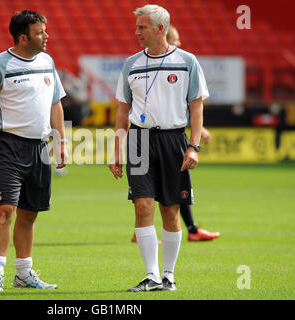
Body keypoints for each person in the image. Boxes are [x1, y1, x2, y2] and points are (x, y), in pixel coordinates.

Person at [109, 4, 209, 292]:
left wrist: (194, 146)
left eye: (142, 27)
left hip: (174, 140)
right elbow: (122, 110)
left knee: (170, 210)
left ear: (160, 28)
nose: (136, 32)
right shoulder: (130, 64)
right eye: (137, 26)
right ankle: (151, 276)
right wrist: (116, 150)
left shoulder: (187, 61)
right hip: (139, 141)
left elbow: (196, 107)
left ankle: (168, 276)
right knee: (142, 206)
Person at [0, 10, 68, 292]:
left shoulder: (48, 61)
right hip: (9, 146)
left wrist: (60, 142)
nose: (46, 36)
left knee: (30, 212)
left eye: (45, 30)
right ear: (23, 37)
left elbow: (55, 104)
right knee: (5, 209)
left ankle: (24, 274)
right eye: (40, 32)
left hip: (39, 147)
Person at [131, 24, 220, 243]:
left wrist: (195, 139)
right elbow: (145, 106)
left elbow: (177, 107)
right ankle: (186, 229)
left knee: (171, 199)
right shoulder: (138, 65)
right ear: (166, 38)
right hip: (141, 138)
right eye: (176, 40)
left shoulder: (184, 64)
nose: (179, 44)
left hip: (168, 138)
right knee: (148, 200)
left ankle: (188, 230)